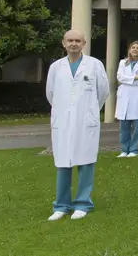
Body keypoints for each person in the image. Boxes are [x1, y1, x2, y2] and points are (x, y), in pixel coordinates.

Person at [45, 30, 109, 221]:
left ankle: (82, 203)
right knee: (63, 161)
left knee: (85, 161)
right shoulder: (56, 67)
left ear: (84, 43)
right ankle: (62, 205)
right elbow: (50, 93)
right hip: (63, 120)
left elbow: (103, 91)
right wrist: (65, 109)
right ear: (63, 43)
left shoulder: (95, 65)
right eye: (70, 40)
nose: (74, 44)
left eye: (77, 41)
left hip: (85, 119)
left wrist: (89, 111)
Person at [115, 40, 138, 158]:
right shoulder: (123, 62)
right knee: (124, 126)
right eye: (133, 47)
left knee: (137, 127)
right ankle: (124, 149)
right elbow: (119, 77)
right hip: (124, 95)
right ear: (129, 50)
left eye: (137, 48)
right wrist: (136, 77)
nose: (135, 49)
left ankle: (134, 149)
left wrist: (129, 79)